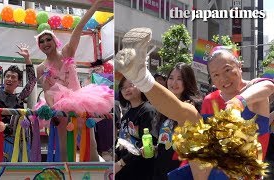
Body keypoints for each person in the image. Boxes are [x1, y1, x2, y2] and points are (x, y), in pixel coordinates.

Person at [114, 27, 274, 179]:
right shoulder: (211, 99)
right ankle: (140, 75)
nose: (223, 79)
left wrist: (238, 102)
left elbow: (267, 86)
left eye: (227, 70)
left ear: (239, 65)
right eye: (216, 75)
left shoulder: (254, 88)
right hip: (206, 169)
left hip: (242, 171)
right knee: (189, 116)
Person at [34, 0, 114, 162]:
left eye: (48, 39)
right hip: (60, 108)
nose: (45, 43)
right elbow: (48, 90)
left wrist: (96, 6)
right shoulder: (41, 68)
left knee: (90, 142)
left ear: (55, 41)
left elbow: (79, 28)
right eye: (41, 42)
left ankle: (94, 175)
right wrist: (52, 110)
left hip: (82, 102)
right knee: (64, 145)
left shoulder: (67, 52)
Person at [0, 44, 36, 162]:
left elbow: (32, 81)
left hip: (17, 142)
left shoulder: (19, 98)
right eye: (7, 76)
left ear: (19, 82)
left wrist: (27, 59)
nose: (9, 79)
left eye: (13, 77)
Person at [150, 62, 202, 179]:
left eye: (180, 79)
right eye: (171, 78)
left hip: (180, 168)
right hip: (161, 167)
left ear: (188, 81)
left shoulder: (192, 106)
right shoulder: (163, 106)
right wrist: (156, 148)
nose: (174, 83)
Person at [115, 77, 157, 180]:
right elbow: (122, 140)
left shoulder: (147, 111)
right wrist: (116, 155)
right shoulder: (126, 115)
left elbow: (146, 143)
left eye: (131, 85)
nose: (126, 90)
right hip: (124, 170)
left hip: (139, 170)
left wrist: (121, 163)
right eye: (123, 88)